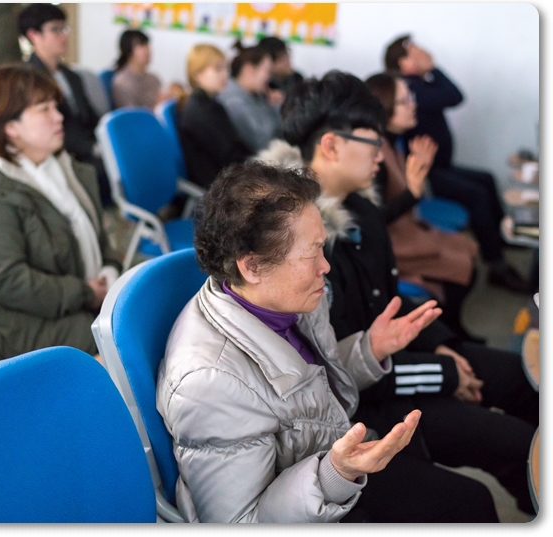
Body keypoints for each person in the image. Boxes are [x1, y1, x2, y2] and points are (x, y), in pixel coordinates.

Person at [156, 160, 499, 523]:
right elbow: (239, 522)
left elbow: (307, 387)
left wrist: (369, 350)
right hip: (317, 493)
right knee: (469, 504)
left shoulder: (282, 298)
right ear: (252, 266)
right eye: (313, 252)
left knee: (470, 490)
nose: (326, 266)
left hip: (333, 449)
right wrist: (335, 474)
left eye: (323, 247)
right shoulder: (209, 383)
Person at [277, 70, 538, 516]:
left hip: (399, 365)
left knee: (521, 377)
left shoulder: (362, 209)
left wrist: (442, 345)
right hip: (367, 404)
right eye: (372, 142)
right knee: (486, 485)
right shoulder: (305, 246)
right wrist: (446, 373)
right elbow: (336, 372)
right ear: (331, 146)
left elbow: (391, 299)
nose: (382, 154)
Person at [0, 65, 122, 361]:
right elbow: (9, 281)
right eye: (44, 109)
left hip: (76, 299)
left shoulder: (59, 166)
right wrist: (87, 293)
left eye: (55, 107)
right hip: (23, 324)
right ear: (11, 127)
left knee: (153, 312)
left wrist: (110, 271)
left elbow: (99, 237)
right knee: (131, 343)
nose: (59, 116)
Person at [384, 35, 528, 293]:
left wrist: (429, 69)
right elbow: (454, 95)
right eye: (415, 53)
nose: (423, 54)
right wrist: (433, 67)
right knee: (477, 194)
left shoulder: (419, 85)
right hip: (428, 174)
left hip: (440, 166)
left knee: (486, 178)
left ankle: (499, 239)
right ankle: (497, 265)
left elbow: (452, 95)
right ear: (402, 63)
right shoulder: (411, 89)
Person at [364, 72, 480, 339]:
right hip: (394, 245)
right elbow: (374, 220)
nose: (413, 104)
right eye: (405, 101)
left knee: (467, 248)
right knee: (463, 265)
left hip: (408, 231)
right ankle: (450, 334)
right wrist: (413, 193)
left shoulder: (392, 142)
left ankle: (452, 328)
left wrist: (418, 175)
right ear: (385, 108)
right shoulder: (375, 156)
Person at [18, 3, 112, 207]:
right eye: (55, 30)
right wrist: (93, 148)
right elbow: (42, 130)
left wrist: (107, 138)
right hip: (60, 152)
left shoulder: (71, 75)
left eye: (64, 28)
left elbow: (89, 115)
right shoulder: (27, 79)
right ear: (33, 35)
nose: (64, 36)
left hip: (86, 146)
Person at [178, 44, 253, 189]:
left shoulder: (209, 103)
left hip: (225, 176)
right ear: (197, 74)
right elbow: (229, 156)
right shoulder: (201, 111)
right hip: (218, 186)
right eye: (218, 69)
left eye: (225, 68)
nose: (225, 74)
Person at [217, 43, 282, 152]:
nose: (268, 78)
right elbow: (262, 143)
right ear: (249, 69)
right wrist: (276, 108)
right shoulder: (233, 101)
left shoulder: (257, 96)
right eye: (267, 71)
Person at [111, 29, 163, 110]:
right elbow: (132, 114)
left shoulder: (153, 79)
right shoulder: (122, 82)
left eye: (147, 45)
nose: (147, 50)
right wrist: (158, 106)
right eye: (141, 45)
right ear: (128, 50)